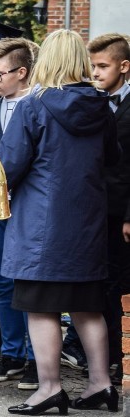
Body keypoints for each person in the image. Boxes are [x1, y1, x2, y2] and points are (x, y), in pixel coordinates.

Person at [0, 29, 120, 416]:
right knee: (87, 307)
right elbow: (112, 161)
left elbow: (8, 166)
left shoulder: (33, 107)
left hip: (42, 227)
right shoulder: (102, 107)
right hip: (87, 222)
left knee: (41, 308)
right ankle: (101, 383)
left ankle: (50, 387)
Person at [0, 38, 38, 390]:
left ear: (22, 72)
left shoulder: (39, 104)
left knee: (30, 282)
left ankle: (36, 356)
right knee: (2, 280)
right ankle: (12, 351)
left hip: (26, 203)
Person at [87, 32, 130, 387]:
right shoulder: (95, 103)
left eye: (103, 66)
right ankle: (106, 358)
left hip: (122, 211)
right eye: (93, 66)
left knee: (120, 285)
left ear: (124, 66)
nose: (96, 73)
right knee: (101, 285)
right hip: (96, 211)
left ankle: (120, 359)